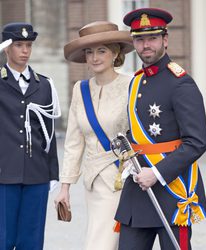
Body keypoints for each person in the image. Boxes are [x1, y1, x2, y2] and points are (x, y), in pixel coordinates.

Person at [115, 8, 206, 250]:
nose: (146, 45)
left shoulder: (181, 83)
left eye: (152, 38)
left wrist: (156, 174)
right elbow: (136, 132)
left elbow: (197, 142)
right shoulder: (135, 82)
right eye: (139, 39)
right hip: (137, 192)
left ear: (165, 40)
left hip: (172, 192)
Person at [54, 21, 134, 250]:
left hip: (124, 179)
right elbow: (73, 141)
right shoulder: (80, 89)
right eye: (89, 52)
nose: (95, 57)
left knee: (102, 243)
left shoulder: (131, 85)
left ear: (115, 53)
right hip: (93, 182)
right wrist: (65, 187)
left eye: (102, 51)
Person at [0, 22, 61, 250]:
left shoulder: (44, 85)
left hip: (37, 174)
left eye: (28, 45)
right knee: (3, 239)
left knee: (32, 241)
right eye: (18, 45)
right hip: (4, 174)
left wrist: (52, 172)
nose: (25, 50)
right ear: (7, 48)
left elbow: (49, 132)